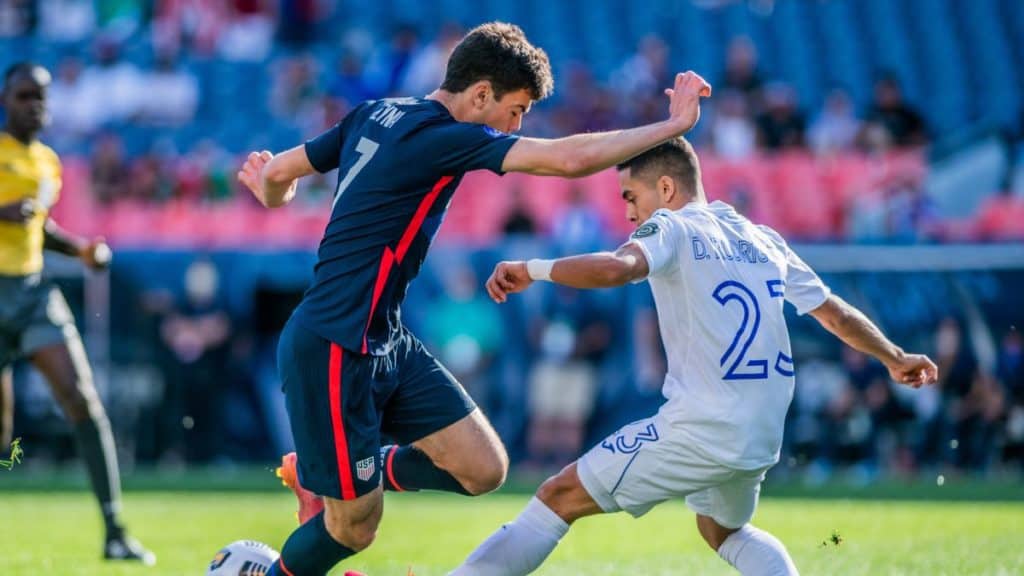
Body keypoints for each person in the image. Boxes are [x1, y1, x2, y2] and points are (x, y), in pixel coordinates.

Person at [236, 22, 710, 576]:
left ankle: (345, 470)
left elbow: (277, 174)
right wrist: (672, 126)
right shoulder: (443, 136)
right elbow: (566, 160)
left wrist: (273, 191)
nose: (517, 123)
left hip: (384, 338)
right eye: (517, 108)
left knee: (483, 468)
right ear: (480, 94)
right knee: (354, 529)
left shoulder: (375, 113)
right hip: (333, 345)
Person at [452, 137, 938, 576]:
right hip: (762, 432)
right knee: (721, 531)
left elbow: (618, 268)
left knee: (558, 496)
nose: (628, 214)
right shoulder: (760, 237)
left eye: (630, 197)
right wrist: (894, 356)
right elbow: (835, 315)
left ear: (665, 188)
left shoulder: (673, 228)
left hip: (704, 427)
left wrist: (534, 268)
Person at [0, 62, 154, 564]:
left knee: (84, 401)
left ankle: (115, 530)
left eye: (41, 96)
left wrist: (83, 250)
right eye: (25, 95)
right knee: (3, 442)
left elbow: (38, 229)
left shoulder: (48, 162)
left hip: (33, 292)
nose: (35, 105)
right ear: (5, 98)